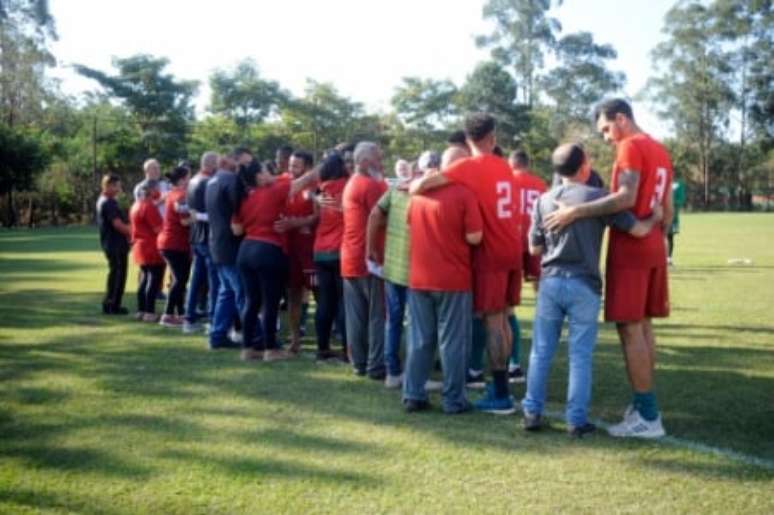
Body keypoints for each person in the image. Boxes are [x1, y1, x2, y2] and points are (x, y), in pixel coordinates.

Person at [543, 99, 674, 438]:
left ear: (621, 119)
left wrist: (576, 212)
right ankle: (644, 405)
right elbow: (668, 209)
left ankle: (648, 415)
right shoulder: (660, 149)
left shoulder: (630, 145)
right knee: (643, 327)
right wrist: (656, 232)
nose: (605, 138)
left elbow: (626, 198)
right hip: (652, 245)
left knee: (630, 330)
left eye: (605, 129)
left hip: (631, 250)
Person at [411, 113, 522, 415]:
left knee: (493, 322)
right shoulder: (503, 164)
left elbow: (421, 186)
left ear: (467, 138)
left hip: (490, 252)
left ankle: (500, 394)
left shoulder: (466, 167)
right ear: (493, 137)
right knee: (504, 317)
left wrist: (414, 184)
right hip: (513, 246)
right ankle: (502, 384)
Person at [402, 149, 484, 414]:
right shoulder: (464, 194)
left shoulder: (417, 196)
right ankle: (453, 399)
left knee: (420, 339)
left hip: (419, 278)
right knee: (453, 342)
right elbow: (475, 237)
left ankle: (413, 394)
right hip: (453, 279)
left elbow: (408, 226)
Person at [367, 153, 435, 389]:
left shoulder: (395, 190)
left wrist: (371, 248)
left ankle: (392, 373)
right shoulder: (426, 193)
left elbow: (375, 214)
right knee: (417, 325)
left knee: (393, 321)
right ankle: (415, 376)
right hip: (418, 269)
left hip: (393, 267)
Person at [232, 161, 294, 362]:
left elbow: (237, 230)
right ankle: (270, 349)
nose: (272, 173)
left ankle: (247, 348)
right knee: (270, 303)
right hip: (267, 250)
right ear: (259, 176)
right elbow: (302, 181)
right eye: (267, 171)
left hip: (245, 250)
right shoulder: (273, 190)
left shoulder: (243, 197)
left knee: (252, 302)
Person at [341, 142, 388, 380]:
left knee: (356, 316)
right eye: (378, 158)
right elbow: (382, 216)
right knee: (377, 314)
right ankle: (376, 364)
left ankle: (359, 362)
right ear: (366, 161)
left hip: (350, 256)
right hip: (370, 257)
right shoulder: (370, 185)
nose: (382, 162)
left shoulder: (353, 182)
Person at [508, 149, 547, 383]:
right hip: (536, 243)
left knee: (508, 305)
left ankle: (513, 362)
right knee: (541, 293)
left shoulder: (508, 180)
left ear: (512, 164)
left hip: (512, 241)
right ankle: (544, 338)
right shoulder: (539, 183)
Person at [276, 150, 318, 353]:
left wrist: (297, 222)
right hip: (289, 250)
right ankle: (294, 340)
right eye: (290, 165)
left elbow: (317, 216)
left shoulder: (316, 187)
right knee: (292, 294)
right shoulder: (282, 182)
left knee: (319, 294)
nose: (290, 169)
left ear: (308, 168)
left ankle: (324, 342)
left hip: (310, 251)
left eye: (296, 166)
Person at [205, 152, 246, 350]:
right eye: (236, 161)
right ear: (225, 162)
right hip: (231, 244)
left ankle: (218, 335)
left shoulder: (212, 181)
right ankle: (255, 336)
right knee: (241, 292)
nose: (239, 165)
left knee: (226, 292)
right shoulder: (231, 180)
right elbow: (240, 208)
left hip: (217, 244)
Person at [312, 154, 349, 362]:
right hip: (340, 249)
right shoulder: (347, 184)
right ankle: (346, 350)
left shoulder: (321, 187)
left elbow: (314, 207)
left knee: (325, 302)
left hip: (320, 250)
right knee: (344, 301)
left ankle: (322, 349)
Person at [183, 151, 219, 334]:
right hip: (206, 236)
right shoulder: (207, 182)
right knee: (214, 280)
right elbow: (211, 212)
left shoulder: (192, 181)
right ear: (211, 164)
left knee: (196, 280)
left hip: (195, 235)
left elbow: (191, 211)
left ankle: (189, 318)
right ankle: (213, 320)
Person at [157, 165, 192, 327]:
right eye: (189, 177)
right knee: (179, 279)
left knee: (180, 279)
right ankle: (168, 314)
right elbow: (184, 221)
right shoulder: (181, 195)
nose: (191, 180)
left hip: (170, 242)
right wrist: (201, 216)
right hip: (174, 243)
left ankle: (179, 313)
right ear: (183, 179)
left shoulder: (172, 193)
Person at [130, 180, 165, 322]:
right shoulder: (149, 206)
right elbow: (158, 229)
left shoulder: (135, 205)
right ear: (151, 191)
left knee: (144, 278)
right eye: (156, 189)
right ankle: (149, 312)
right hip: (150, 245)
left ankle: (141, 310)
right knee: (154, 278)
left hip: (139, 245)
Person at [96, 174, 131, 315]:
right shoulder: (108, 202)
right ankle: (112, 305)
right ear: (108, 185)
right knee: (118, 275)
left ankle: (112, 303)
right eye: (117, 186)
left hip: (111, 243)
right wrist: (133, 232)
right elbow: (117, 224)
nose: (119, 189)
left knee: (116, 274)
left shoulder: (103, 200)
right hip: (115, 244)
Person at [668, 178, 686, 265]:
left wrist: (671, 202)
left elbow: (681, 199)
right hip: (659, 214)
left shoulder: (678, 184)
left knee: (669, 237)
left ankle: (669, 258)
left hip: (672, 215)